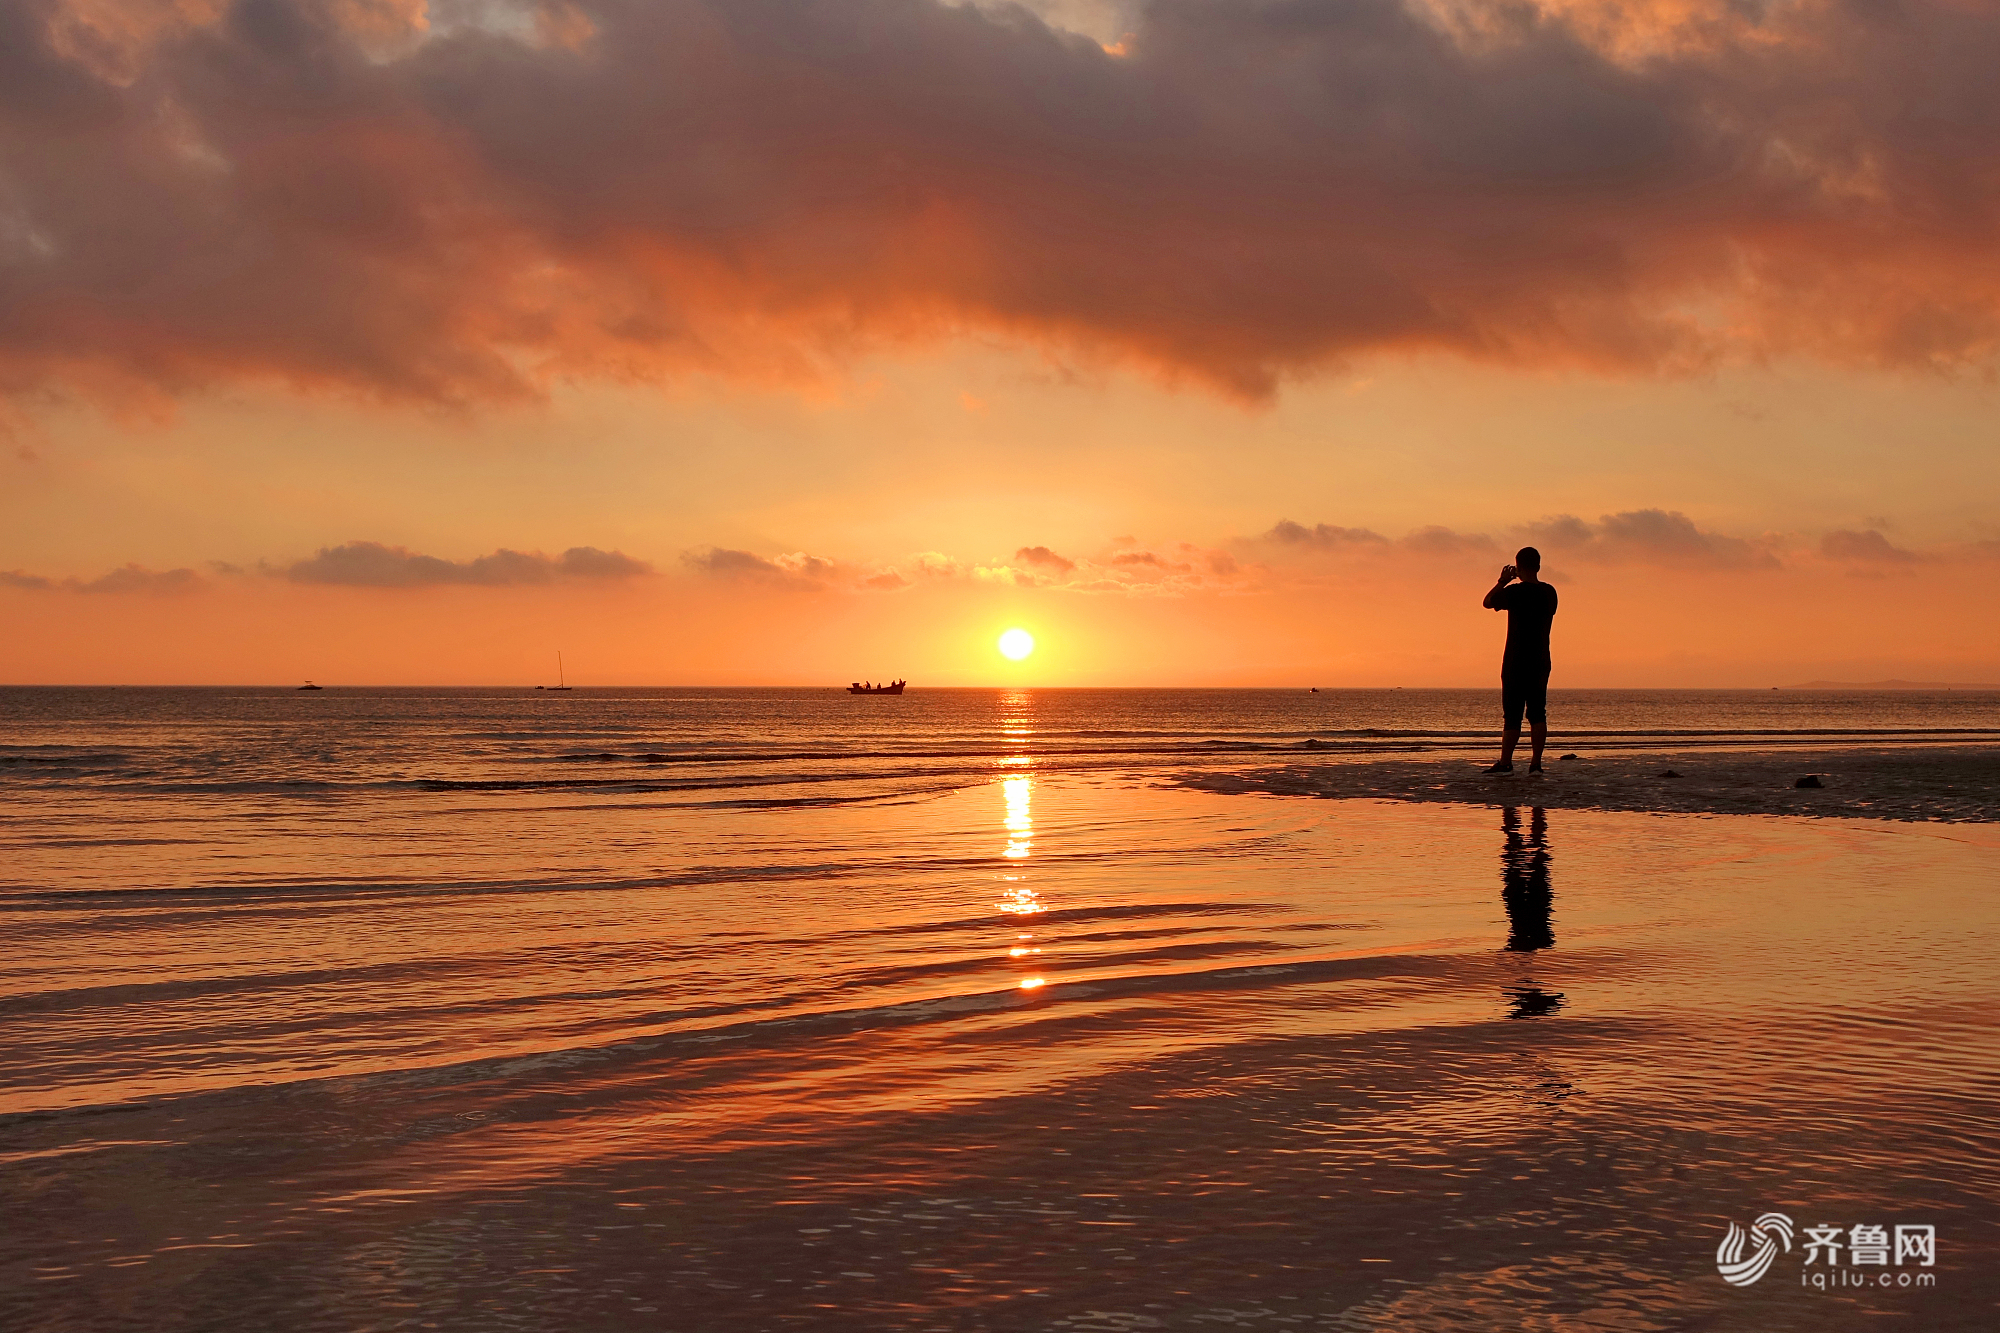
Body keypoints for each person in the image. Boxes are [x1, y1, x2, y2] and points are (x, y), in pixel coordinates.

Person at [1481, 546, 1558, 773]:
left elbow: (1487, 602)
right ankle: (1536, 763)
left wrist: (1502, 581)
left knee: (1512, 714)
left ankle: (1506, 762)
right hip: (1541, 659)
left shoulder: (1515, 592)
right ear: (1539, 566)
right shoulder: (1549, 592)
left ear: (1519, 567)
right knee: (1537, 712)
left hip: (1515, 659)